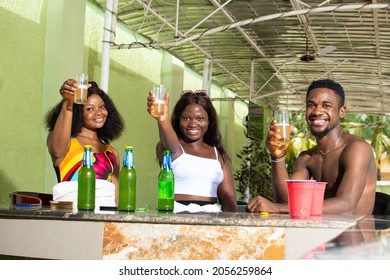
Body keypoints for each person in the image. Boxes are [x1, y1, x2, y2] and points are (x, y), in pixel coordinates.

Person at [246, 79, 377, 215]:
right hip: (321, 233)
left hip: (356, 234)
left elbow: (347, 204)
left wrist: (276, 208)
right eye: (311, 105)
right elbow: (286, 202)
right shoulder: (306, 158)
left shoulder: (356, 149)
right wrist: (277, 156)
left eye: (326, 106)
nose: (317, 111)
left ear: (341, 111)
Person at [147, 89, 238, 212]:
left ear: (209, 121)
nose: (192, 124)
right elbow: (171, 145)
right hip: (175, 217)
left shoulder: (219, 156)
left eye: (200, 119)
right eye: (185, 118)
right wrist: (163, 119)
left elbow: (229, 200)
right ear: (178, 120)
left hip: (211, 221)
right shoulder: (172, 148)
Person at [44, 79, 124, 204]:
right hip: (72, 218)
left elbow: (115, 198)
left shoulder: (112, 153)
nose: (99, 112)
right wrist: (68, 102)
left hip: (104, 219)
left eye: (102, 106)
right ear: (78, 113)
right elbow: (57, 152)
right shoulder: (66, 144)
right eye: (89, 109)